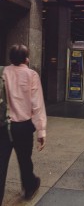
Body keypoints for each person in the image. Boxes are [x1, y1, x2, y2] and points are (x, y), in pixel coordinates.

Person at [0, 44, 47, 205]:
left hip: (3, 126)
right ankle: (29, 188)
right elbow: (37, 105)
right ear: (26, 58)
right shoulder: (31, 75)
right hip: (23, 127)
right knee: (25, 160)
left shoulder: (4, 72)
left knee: (1, 163)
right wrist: (41, 131)